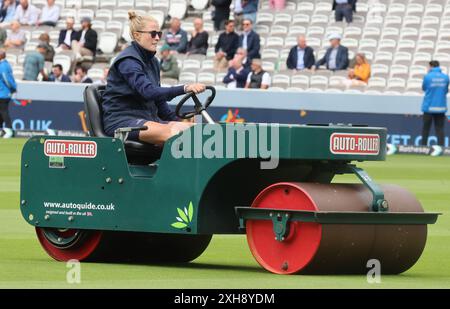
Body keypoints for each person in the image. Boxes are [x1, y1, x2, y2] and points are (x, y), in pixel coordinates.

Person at [102, 11, 206, 147]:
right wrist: (185, 88)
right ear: (136, 35)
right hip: (122, 121)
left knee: (199, 133)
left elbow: (159, 102)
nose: (157, 38)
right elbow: (148, 92)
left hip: (148, 119)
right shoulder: (128, 61)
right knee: (174, 134)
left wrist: (179, 120)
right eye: (153, 34)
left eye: (159, 34)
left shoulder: (153, 62)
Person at [421, 60, 449, 146]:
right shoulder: (446, 77)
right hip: (441, 107)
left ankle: (423, 148)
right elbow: (445, 90)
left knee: (426, 129)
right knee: (440, 129)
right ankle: (441, 148)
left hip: (428, 107)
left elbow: (424, 88)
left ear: (431, 66)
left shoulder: (427, 77)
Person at [0, 49, 16, 138]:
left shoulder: (3, 66)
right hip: (2, 92)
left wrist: (13, 88)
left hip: (4, 93)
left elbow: (7, 79)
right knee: (1, 112)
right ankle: (2, 129)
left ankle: (9, 129)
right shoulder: (4, 65)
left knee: (4, 111)